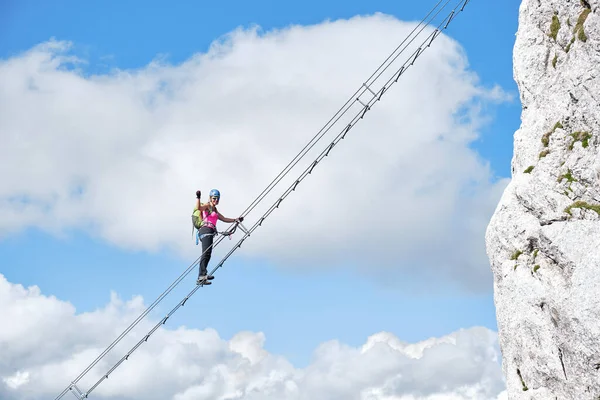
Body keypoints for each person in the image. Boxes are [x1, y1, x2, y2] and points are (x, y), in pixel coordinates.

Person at [194, 189, 243, 285]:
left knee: (208, 253)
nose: (216, 200)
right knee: (206, 252)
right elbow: (199, 207)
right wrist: (198, 197)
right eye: (214, 198)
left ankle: (203, 274)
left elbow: (224, 218)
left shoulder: (215, 210)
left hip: (210, 231)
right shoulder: (207, 206)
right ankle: (201, 275)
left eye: (217, 198)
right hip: (205, 230)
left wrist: (235, 220)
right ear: (210, 198)